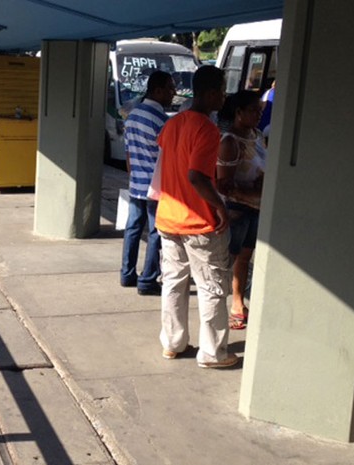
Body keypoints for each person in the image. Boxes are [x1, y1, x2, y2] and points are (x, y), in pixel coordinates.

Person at [155, 66, 238, 369]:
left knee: (174, 283)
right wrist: (219, 207)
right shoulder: (206, 129)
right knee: (212, 286)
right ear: (211, 92)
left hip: (168, 218)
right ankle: (214, 353)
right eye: (222, 91)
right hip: (200, 223)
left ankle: (173, 343)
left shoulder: (172, 124)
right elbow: (197, 177)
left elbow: (170, 166)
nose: (224, 96)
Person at [120, 70, 176, 295]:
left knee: (132, 228)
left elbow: (128, 156)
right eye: (171, 89)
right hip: (156, 187)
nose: (174, 93)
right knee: (155, 233)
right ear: (158, 90)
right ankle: (148, 280)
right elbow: (169, 157)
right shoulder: (163, 121)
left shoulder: (132, 116)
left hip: (136, 184)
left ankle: (127, 274)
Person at [217, 90, 266, 330]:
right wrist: (252, 190)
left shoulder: (257, 136)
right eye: (254, 110)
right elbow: (223, 184)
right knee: (229, 260)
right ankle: (218, 308)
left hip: (256, 208)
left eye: (261, 110)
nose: (259, 114)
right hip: (237, 209)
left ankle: (238, 304)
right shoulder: (229, 142)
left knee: (245, 258)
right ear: (238, 113)